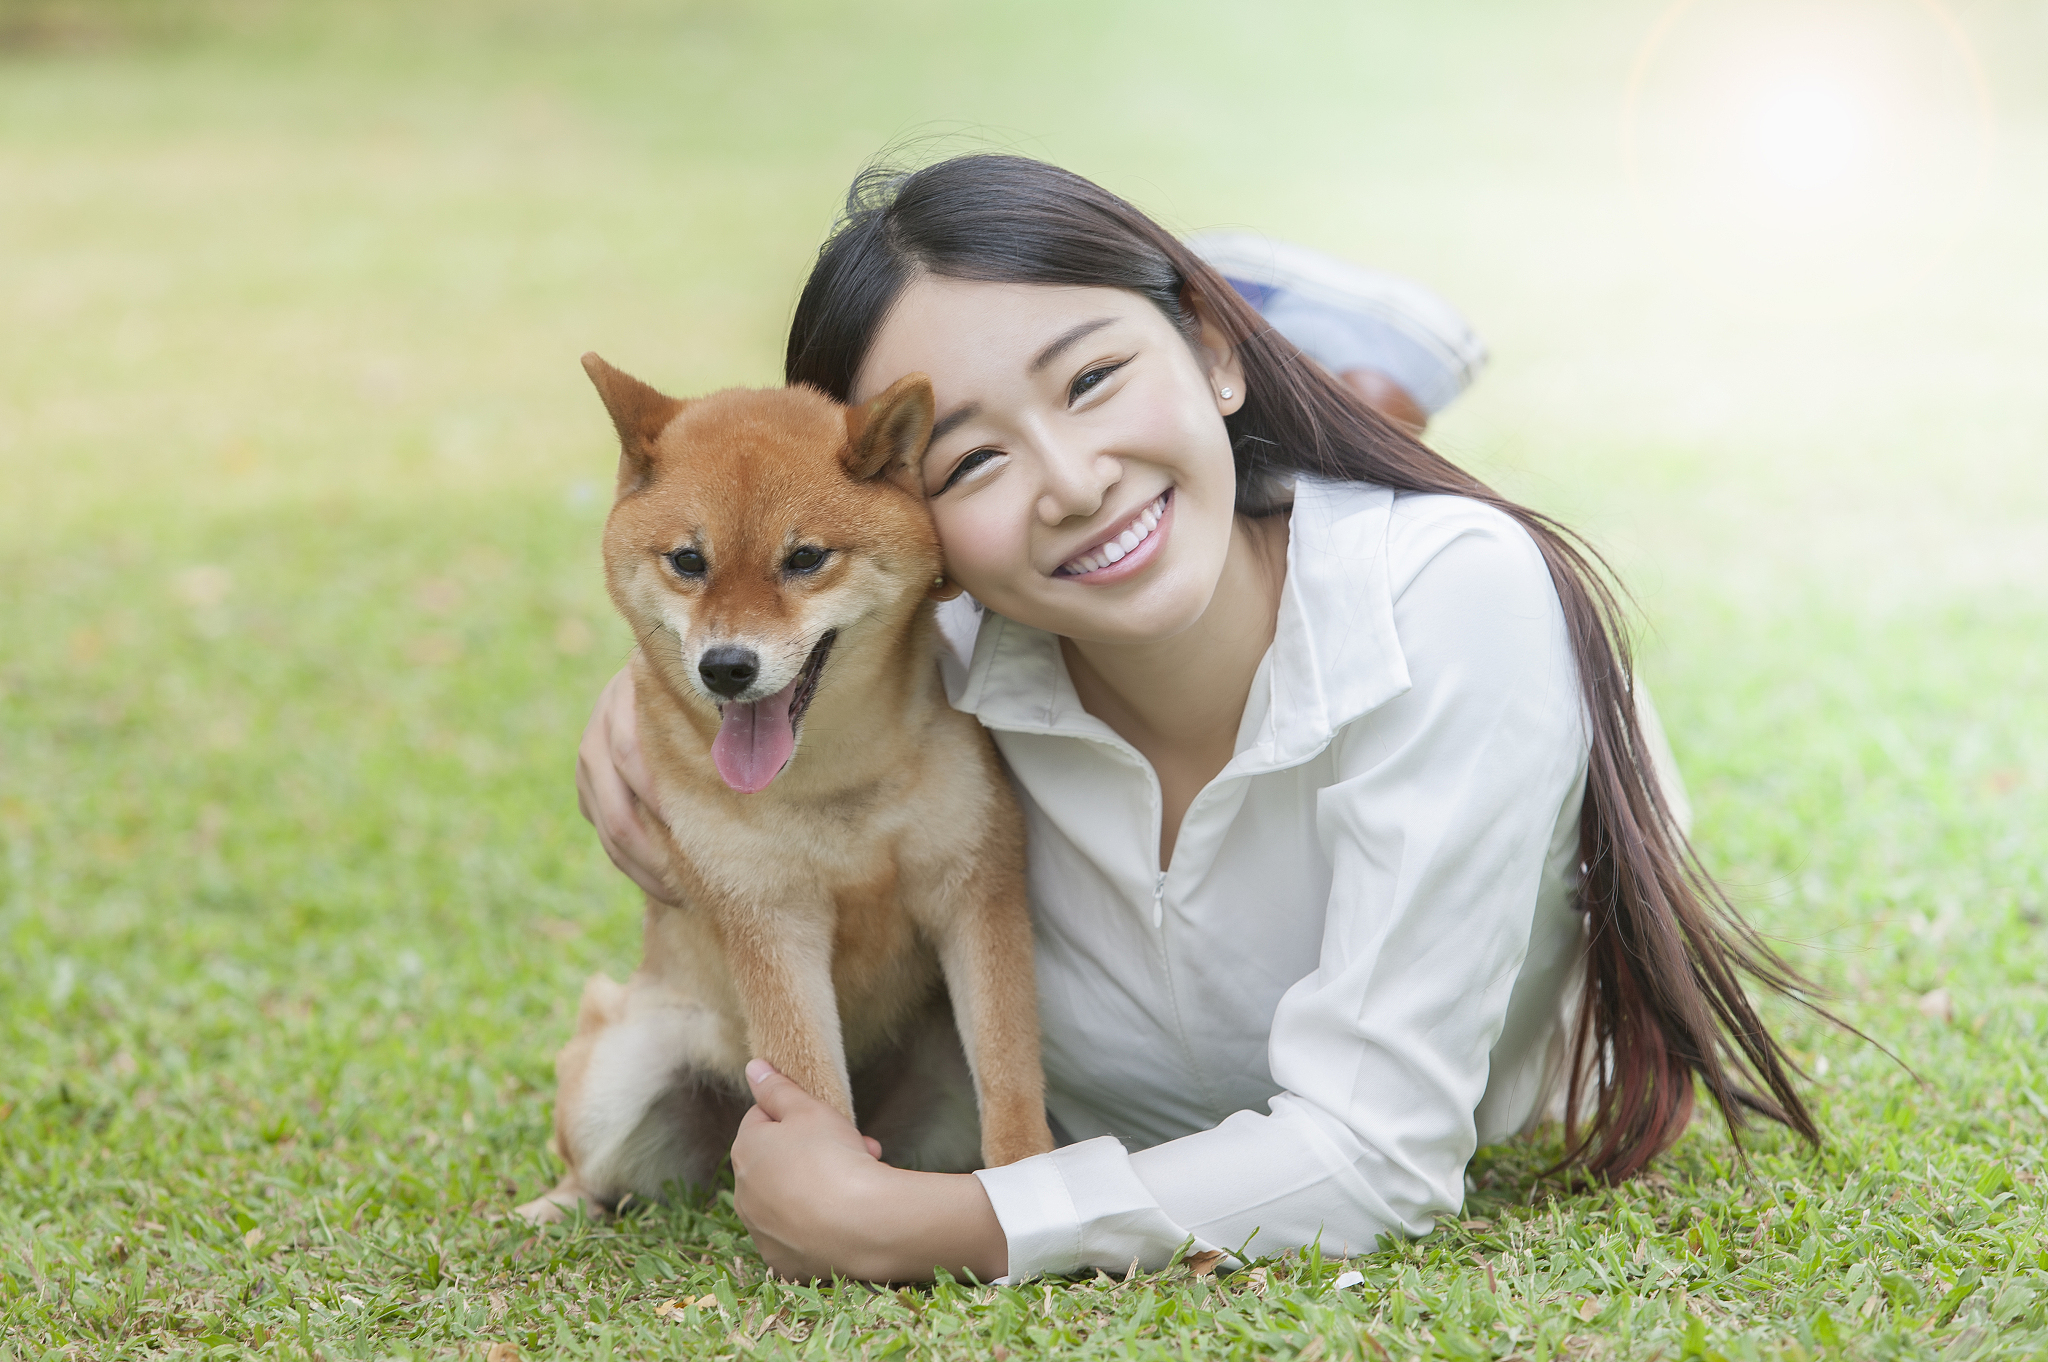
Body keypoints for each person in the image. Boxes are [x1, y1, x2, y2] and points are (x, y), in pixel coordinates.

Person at [572, 154, 1819, 1284]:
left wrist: (930, 1225)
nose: (1067, 482)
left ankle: (1327, 367)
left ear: (1213, 351)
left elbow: (1372, 1155)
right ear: (916, 516)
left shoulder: (1454, 603)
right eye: (970, 461)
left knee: (1358, 528)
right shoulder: (930, 650)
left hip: (1436, 641)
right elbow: (757, 582)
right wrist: (652, 697)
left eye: (1093, 378)